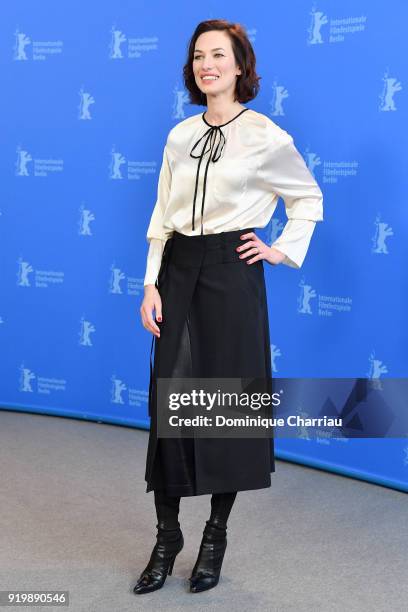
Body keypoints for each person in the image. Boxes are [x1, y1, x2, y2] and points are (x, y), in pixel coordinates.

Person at [135, 19, 323, 595]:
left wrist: (278, 249)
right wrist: (150, 283)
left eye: (218, 55)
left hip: (232, 276)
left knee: (227, 408)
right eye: (198, 56)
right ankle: (167, 536)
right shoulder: (177, 135)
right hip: (178, 270)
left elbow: (308, 198)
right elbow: (161, 214)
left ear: (241, 65)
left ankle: (214, 536)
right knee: (170, 404)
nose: (206, 64)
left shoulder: (266, 136)